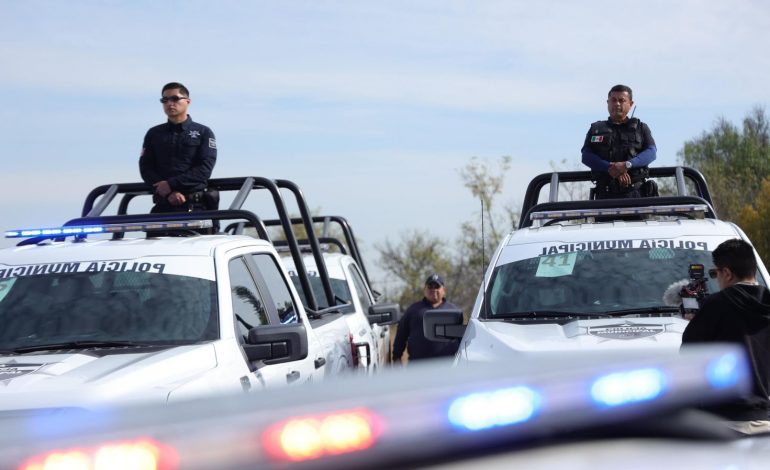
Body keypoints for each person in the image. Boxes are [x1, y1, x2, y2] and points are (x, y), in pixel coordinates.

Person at [681, 238, 770, 435]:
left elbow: (688, 356)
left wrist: (697, 322)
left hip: (723, 423)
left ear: (727, 273)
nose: (717, 279)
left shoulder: (716, 305)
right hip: (763, 421)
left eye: (715, 273)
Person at [139, 82, 218, 214]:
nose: (169, 103)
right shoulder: (154, 134)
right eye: (165, 100)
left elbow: (204, 168)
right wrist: (168, 192)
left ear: (188, 101)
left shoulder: (203, 132)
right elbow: (146, 168)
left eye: (175, 99)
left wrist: (171, 184)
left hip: (196, 207)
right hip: (162, 206)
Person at [581, 84, 657, 199]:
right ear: (608, 103)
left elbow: (651, 152)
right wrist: (609, 167)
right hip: (604, 195)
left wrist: (627, 165)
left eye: (622, 100)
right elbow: (586, 156)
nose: (617, 104)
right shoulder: (596, 129)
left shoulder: (641, 128)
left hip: (636, 195)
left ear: (630, 104)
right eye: (613, 100)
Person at [392, 273, 460, 364]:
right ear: (425, 290)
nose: (433, 290)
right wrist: (397, 356)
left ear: (444, 290)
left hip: (447, 365)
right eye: (430, 287)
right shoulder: (413, 310)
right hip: (418, 366)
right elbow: (401, 335)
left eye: (437, 287)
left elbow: (462, 339)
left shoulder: (453, 311)